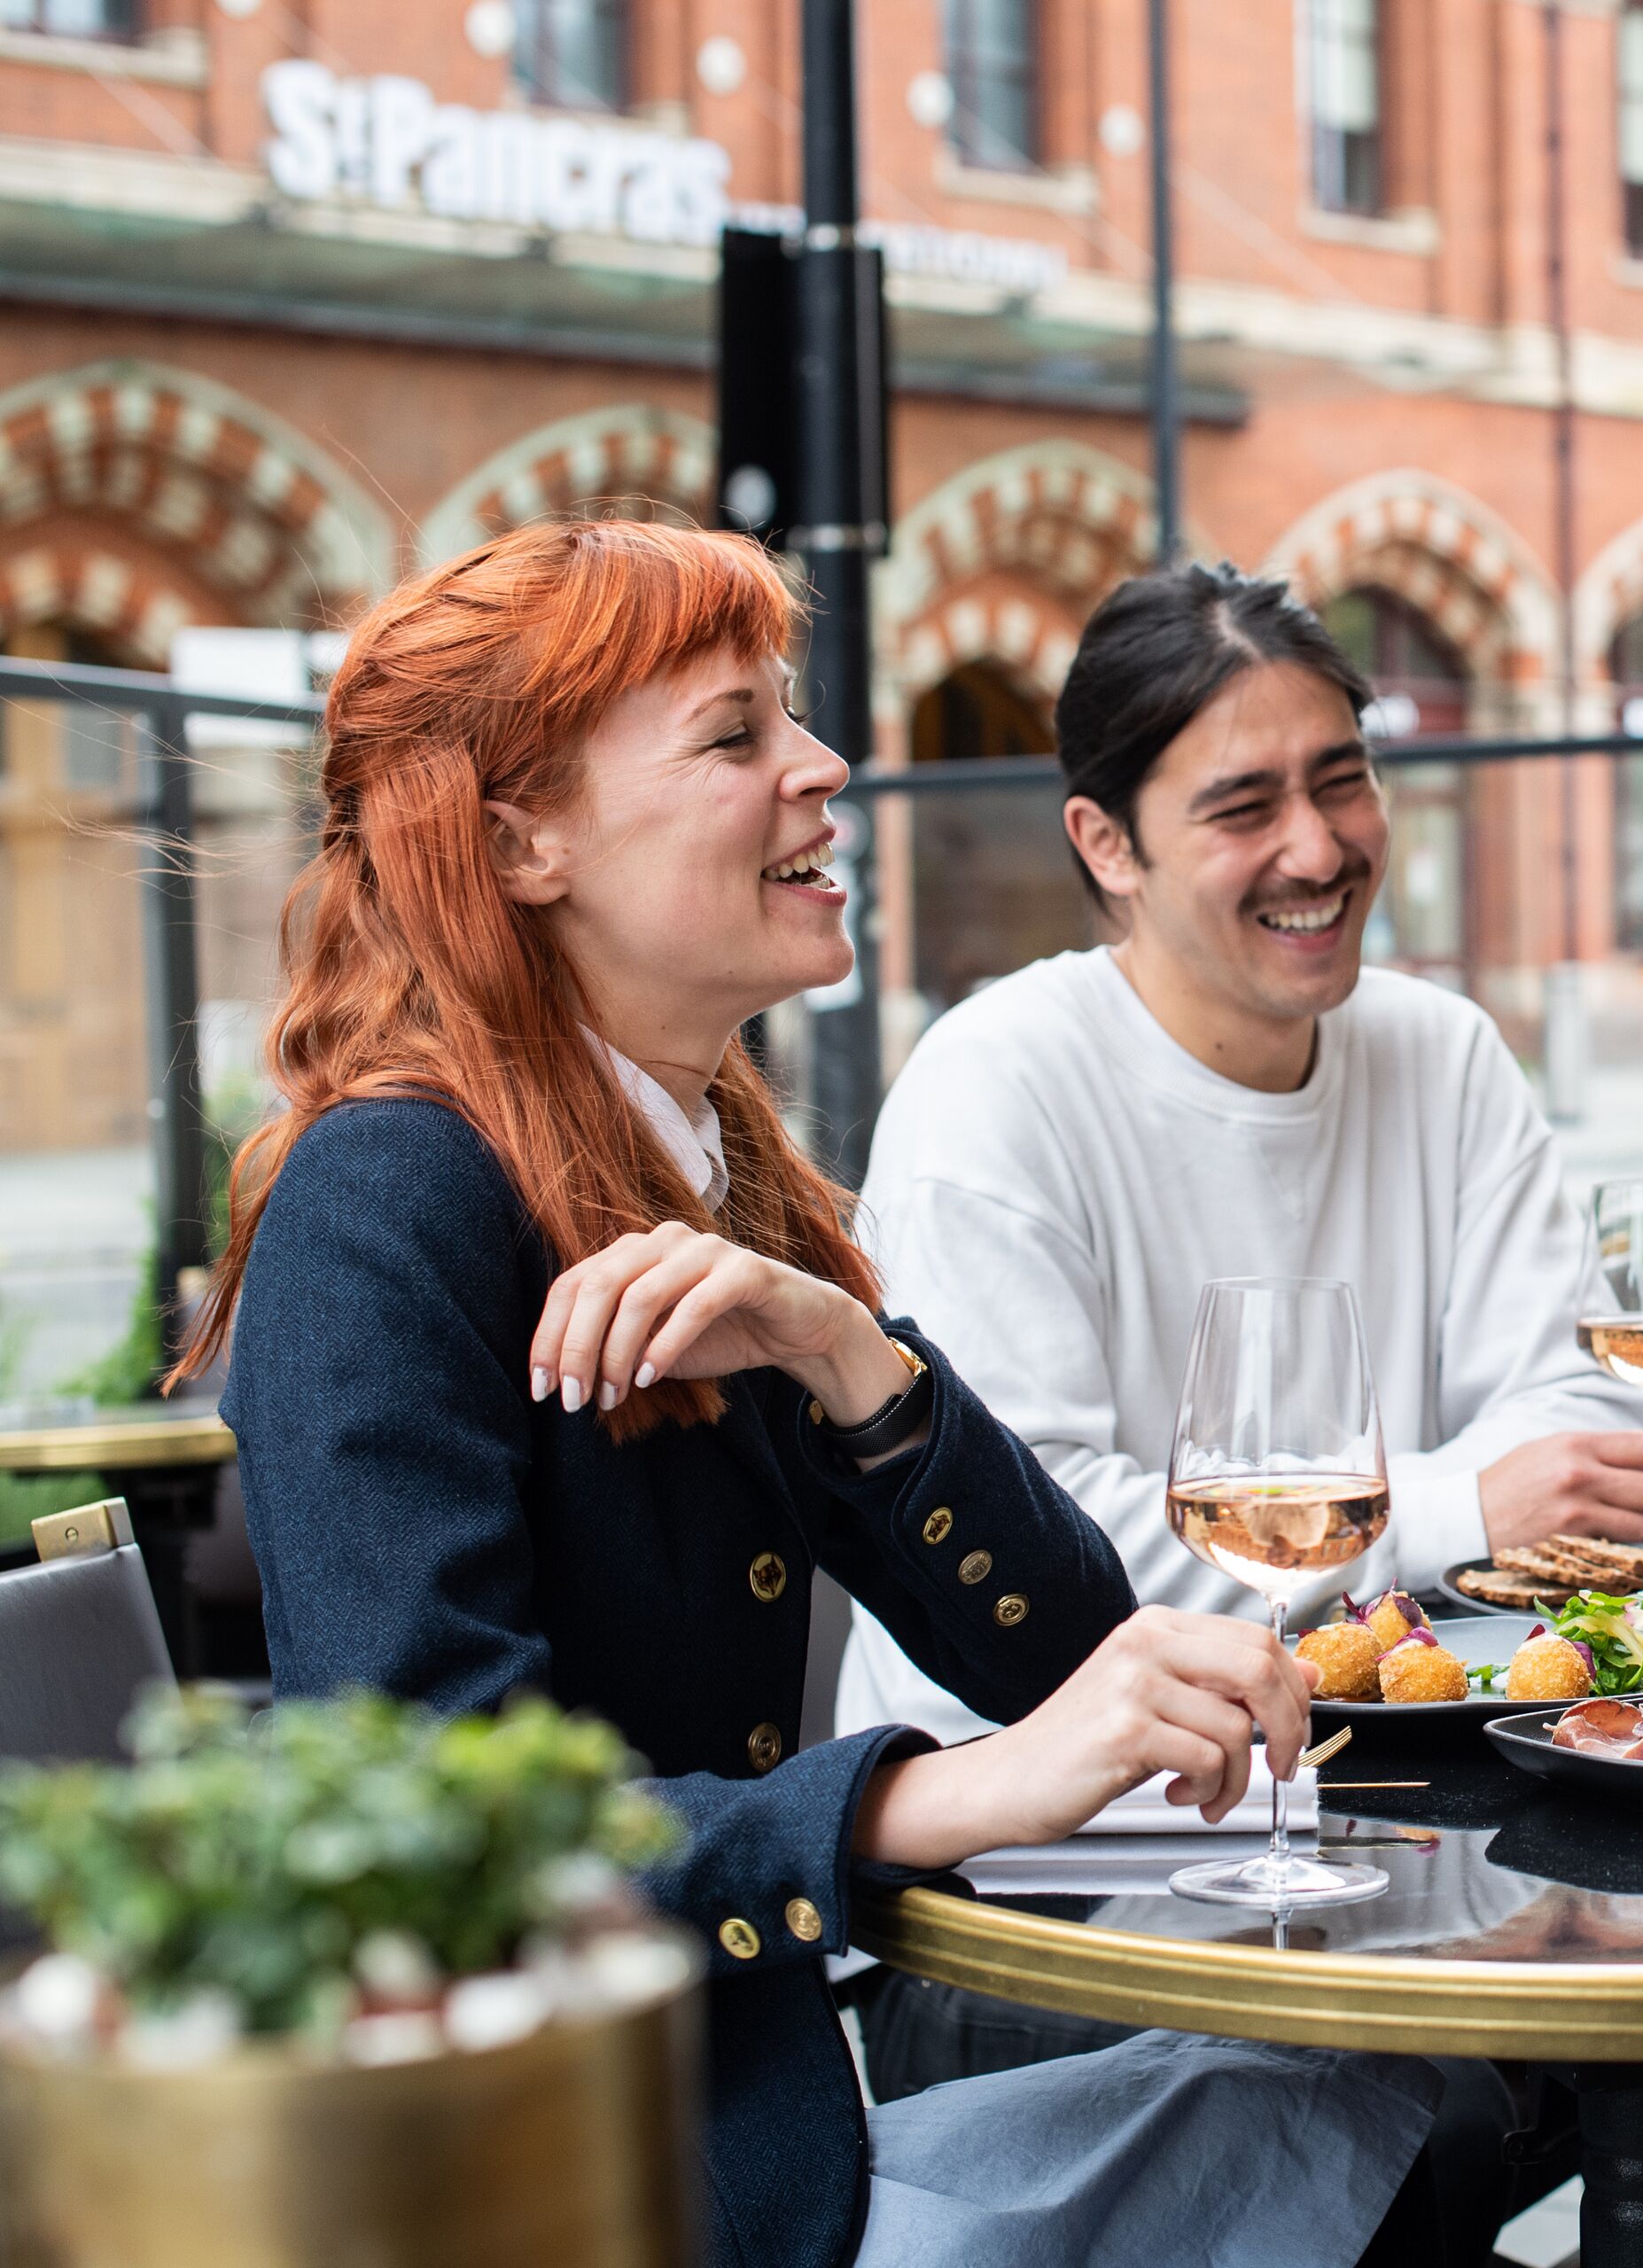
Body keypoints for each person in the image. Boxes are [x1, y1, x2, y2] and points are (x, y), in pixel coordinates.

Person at [194, 521, 1444, 2268]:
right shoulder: (387, 1199)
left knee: (1427, 2083)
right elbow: (430, 1844)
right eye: (734, 736)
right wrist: (915, 1799)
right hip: (609, 2202)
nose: (824, 766)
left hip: (780, 2144)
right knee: (1397, 2107)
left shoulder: (717, 1177)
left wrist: (852, 1358)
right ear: (521, 839)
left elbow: (1067, 1654)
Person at [834, 564, 1643, 1743]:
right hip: (1054, 1807)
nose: (1319, 849)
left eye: (1344, 782)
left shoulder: (1444, 1049)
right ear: (1108, 843)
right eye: (1244, 809)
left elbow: (1579, 1428)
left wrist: (1439, 1510)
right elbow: (1041, 1540)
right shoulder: (994, 1083)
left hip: (1389, 1765)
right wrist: (1458, 1507)